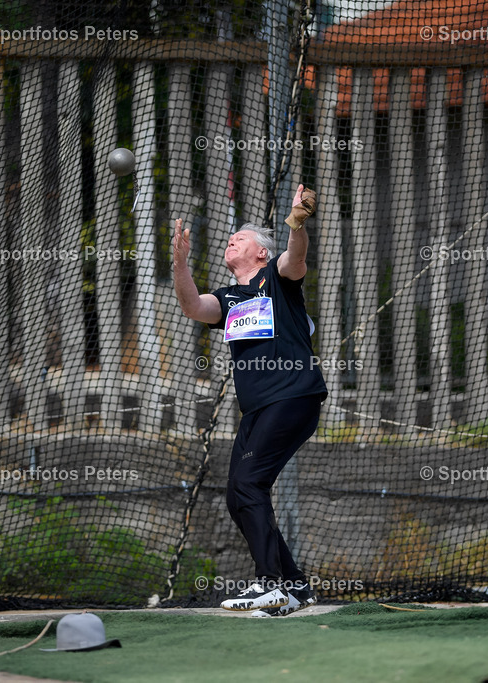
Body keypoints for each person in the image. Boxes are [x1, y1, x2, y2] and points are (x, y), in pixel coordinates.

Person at [172, 184, 327, 617]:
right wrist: (180, 264)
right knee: (237, 496)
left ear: (260, 253)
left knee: (247, 485)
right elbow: (192, 306)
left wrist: (296, 221)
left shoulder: (276, 277)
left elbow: (296, 258)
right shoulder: (228, 296)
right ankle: (295, 588)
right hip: (258, 408)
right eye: (230, 237)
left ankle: (271, 586)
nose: (231, 240)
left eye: (241, 237)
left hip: (293, 395)